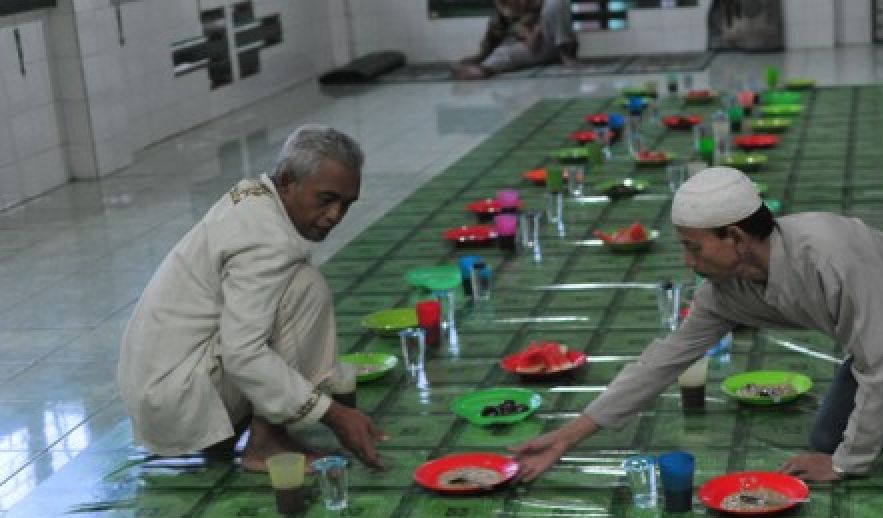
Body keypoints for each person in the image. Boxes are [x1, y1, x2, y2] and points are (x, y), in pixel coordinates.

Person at [512, 166, 883, 482]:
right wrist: (565, 437)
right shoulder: (726, 290)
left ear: (733, 236)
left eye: (692, 247)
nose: (688, 261)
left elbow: (878, 366)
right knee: (826, 438)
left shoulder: (829, 252)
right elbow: (663, 361)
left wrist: (846, 467)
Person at [117, 125, 386, 472]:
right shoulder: (266, 240)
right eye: (326, 199)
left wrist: (331, 398)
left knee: (299, 283)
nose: (336, 215)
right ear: (288, 181)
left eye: (346, 204)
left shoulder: (256, 196)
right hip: (174, 401)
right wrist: (333, 414)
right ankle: (265, 444)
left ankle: (258, 430)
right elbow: (242, 353)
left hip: (161, 391)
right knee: (305, 289)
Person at [453, 0, 579, 80]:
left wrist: (536, 30)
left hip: (555, 39)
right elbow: (494, 36)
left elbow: (550, 19)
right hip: (536, 49)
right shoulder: (503, 10)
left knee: (556, 2)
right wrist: (481, 57)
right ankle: (484, 69)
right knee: (503, 52)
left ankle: (566, 56)